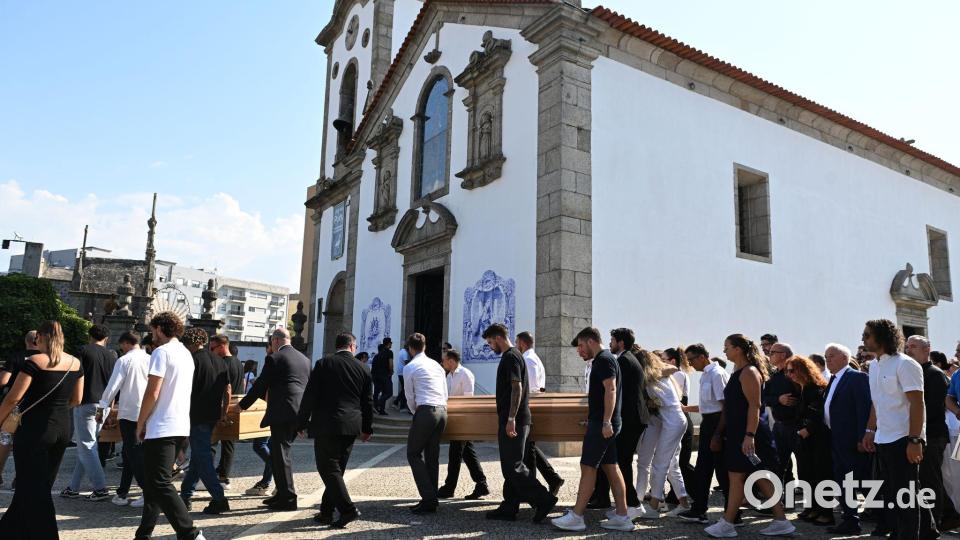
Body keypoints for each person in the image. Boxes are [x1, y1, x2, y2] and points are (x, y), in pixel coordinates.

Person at [704, 334, 794, 537]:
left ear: (738, 349)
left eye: (727, 346)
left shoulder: (749, 372)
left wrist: (749, 435)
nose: (724, 350)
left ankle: (727, 523)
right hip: (740, 432)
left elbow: (755, 406)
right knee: (756, 475)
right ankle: (781, 521)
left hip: (750, 433)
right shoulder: (738, 371)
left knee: (738, 476)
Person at [0, 321, 83, 538]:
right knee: (39, 482)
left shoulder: (34, 361)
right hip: (63, 427)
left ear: (41, 338)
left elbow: (13, 398)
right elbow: (77, 398)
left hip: (35, 429)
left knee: (32, 485)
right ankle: (9, 529)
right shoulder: (75, 362)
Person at [861, 319, 938, 539]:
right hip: (883, 438)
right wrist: (870, 430)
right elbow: (878, 402)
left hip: (904, 439)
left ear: (883, 336)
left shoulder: (905, 364)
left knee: (907, 498)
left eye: (867, 335)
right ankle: (927, 532)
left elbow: (917, 403)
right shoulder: (874, 365)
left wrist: (915, 440)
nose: (863, 338)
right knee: (897, 495)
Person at [552, 327, 634, 532]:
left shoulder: (604, 359)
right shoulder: (605, 359)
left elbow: (611, 389)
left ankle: (577, 516)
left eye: (580, 346)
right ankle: (623, 516)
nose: (579, 351)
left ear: (591, 341)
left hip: (604, 424)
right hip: (604, 423)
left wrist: (605, 421)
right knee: (611, 468)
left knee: (588, 467)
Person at [135, 312, 206, 540]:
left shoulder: (161, 352)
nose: (151, 334)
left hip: (161, 426)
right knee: (154, 484)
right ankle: (143, 535)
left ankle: (190, 533)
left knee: (159, 482)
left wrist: (140, 422)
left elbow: (152, 392)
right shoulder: (186, 354)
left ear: (159, 329)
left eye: (152, 329)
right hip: (180, 425)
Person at [297, 332, 373, 529]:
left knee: (328, 468)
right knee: (336, 470)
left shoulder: (324, 364)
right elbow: (367, 402)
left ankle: (348, 510)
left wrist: (301, 423)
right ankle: (326, 512)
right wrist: (367, 428)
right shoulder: (363, 368)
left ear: (336, 345)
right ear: (352, 346)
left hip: (327, 423)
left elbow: (310, 396)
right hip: (351, 425)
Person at [482, 323, 557, 523]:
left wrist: (511, 419)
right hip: (514, 418)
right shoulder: (514, 356)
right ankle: (509, 506)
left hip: (514, 419)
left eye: (490, 342)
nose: (490, 347)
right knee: (511, 464)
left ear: (498, 338)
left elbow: (517, 387)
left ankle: (544, 499)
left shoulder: (511, 357)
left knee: (513, 465)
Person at [239, 328, 311, 511]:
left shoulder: (275, 358)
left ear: (276, 341)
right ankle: (280, 495)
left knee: (281, 456)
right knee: (280, 455)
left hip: (282, 412)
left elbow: (260, 384)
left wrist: (242, 405)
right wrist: (304, 418)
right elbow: (308, 389)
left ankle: (288, 498)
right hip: (298, 411)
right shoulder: (304, 359)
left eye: (271, 342)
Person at [819, 343, 872, 534]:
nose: (828, 360)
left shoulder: (856, 378)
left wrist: (862, 437)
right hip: (836, 438)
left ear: (844, 358)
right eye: (826, 357)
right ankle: (850, 519)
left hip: (852, 440)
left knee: (861, 480)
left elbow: (863, 409)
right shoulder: (833, 379)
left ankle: (885, 517)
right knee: (843, 481)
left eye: (831, 356)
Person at [909, 335, 960, 531]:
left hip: (933, 434)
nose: (908, 350)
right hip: (922, 434)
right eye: (907, 346)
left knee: (933, 478)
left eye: (913, 346)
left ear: (926, 349)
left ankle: (937, 520)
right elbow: (950, 399)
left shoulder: (935, 374)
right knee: (939, 477)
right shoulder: (914, 372)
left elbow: (932, 408)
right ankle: (948, 514)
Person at [592, 328, 647, 510]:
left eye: (612, 340)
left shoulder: (623, 361)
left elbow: (613, 390)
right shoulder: (629, 359)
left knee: (621, 462)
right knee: (615, 460)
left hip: (629, 419)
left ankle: (632, 504)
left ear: (621, 343)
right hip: (634, 418)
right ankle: (605, 499)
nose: (610, 343)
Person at [62, 323, 117, 501]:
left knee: (86, 445)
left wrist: (71, 400)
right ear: (106, 338)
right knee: (88, 446)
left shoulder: (83, 351)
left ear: (90, 335)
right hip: (105, 403)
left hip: (85, 401)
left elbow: (76, 376)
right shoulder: (112, 355)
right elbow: (114, 383)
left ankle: (100, 488)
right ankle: (73, 487)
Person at [633, 348, 690, 518]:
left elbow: (672, 369)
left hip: (673, 421)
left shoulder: (653, 375)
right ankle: (681, 502)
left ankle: (655, 505)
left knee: (661, 463)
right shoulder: (654, 376)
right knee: (666, 463)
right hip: (666, 421)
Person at [178, 328, 230, 514]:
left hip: (195, 414)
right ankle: (185, 495)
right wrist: (223, 413)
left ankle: (219, 498)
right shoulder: (219, 361)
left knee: (203, 458)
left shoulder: (191, 361)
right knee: (199, 459)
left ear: (188, 344)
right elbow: (227, 390)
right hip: (212, 414)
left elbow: (183, 390)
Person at [678, 344, 730, 524]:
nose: (690, 364)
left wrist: (717, 434)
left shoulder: (717, 374)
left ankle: (733, 515)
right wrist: (685, 408)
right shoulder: (706, 375)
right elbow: (707, 405)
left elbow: (725, 407)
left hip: (718, 424)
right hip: (709, 422)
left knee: (722, 472)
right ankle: (699, 510)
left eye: (691, 359)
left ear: (702, 357)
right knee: (703, 469)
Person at [98, 331, 150, 507]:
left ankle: (147, 490)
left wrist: (103, 406)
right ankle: (122, 492)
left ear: (126, 343)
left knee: (133, 453)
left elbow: (113, 385)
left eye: (121, 345)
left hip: (129, 412)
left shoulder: (125, 360)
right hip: (147, 411)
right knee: (131, 453)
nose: (121, 349)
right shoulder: (150, 359)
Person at [403, 332, 448, 513]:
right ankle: (431, 498)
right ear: (425, 347)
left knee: (413, 454)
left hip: (426, 411)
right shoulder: (436, 365)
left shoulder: (411, 366)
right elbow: (445, 391)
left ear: (410, 349)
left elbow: (409, 396)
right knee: (432, 455)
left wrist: (417, 413)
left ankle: (428, 497)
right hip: (442, 411)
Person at [784, 355, 833, 525]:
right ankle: (812, 508)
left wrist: (808, 429)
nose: (789, 374)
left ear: (803, 370)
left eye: (792, 370)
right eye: (787, 371)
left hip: (818, 438)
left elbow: (819, 413)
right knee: (806, 474)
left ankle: (826, 513)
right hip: (804, 438)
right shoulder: (801, 388)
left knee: (821, 474)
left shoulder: (816, 388)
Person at [515, 331, 564, 496]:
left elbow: (532, 387)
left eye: (517, 343)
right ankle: (550, 479)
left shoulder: (528, 360)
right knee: (530, 447)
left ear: (522, 343)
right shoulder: (533, 358)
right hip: (532, 403)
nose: (516, 346)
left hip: (530, 404)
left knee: (529, 447)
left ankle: (538, 485)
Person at [437, 348, 489, 500]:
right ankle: (481, 484)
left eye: (444, 360)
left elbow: (468, 399)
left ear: (451, 361)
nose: (442, 362)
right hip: (453, 418)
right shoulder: (449, 376)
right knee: (468, 453)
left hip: (463, 419)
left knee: (455, 454)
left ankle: (449, 487)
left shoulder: (465, 374)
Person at [0, 330, 40, 489]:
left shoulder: (16, 356)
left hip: (15, 405)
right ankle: (20, 477)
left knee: (5, 439)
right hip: (37, 405)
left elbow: (3, 380)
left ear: (26, 341)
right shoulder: (47, 359)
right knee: (30, 442)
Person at [762, 341, 799, 489]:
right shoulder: (774, 376)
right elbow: (765, 398)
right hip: (779, 426)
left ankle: (812, 506)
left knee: (805, 466)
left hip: (796, 426)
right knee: (778, 465)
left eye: (772, 353)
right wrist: (779, 399)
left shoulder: (796, 374)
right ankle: (779, 501)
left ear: (783, 355)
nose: (769, 355)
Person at [663, 345, 695, 507]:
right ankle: (676, 493)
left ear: (672, 361)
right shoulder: (676, 374)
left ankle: (695, 490)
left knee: (680, 461)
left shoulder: (677, 375)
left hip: (680, 416)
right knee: (675, 461)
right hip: (677, 416)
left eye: (663, 360)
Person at [210, 336, 243, 490]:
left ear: (223, 346)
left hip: (223, 407)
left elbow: (225, 389)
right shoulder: (238, 362)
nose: (211, 352)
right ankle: (224, 476)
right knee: (229, 444)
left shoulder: (222, 363)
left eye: (213, 348)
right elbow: (241, 385)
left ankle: (208, 477)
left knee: (211, 443)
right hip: (235, 406)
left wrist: (222, 412)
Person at [244, 347, 272, 497]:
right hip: (281, 412)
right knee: (269, 447)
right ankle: (268, 482)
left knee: (260, 445)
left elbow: (260, 386)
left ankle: (272, 478)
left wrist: (243, 405)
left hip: (267, 411)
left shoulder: (272, 360)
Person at [370, 338, 394, 415]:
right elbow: (390, 364)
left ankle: (381, 410)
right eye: (391, 343)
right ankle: (377, 404)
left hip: (375, 376)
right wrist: (391, 371)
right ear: (389, 343)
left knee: (380, 392)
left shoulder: (377, 355)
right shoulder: (389, 352)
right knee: (389, 392)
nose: (391, 345)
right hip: (384, 375)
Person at [392, 342, 410, 412]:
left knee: (404, 389)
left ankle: (397, 403)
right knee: (405, 389)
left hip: (400, 372)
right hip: (403, 373)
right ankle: (400, 405)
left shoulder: (401, 351)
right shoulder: (405, 353)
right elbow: (406, 362)